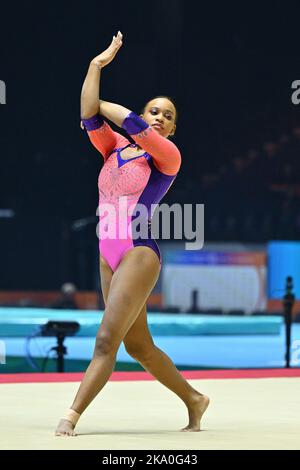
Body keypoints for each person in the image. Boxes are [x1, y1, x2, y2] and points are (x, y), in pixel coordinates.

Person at [55, 31, 209, 436]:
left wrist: (109, 108)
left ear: (171, 129)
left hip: (139, 250)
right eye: (154, 111)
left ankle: (71, 416)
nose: (159, 117)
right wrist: (95, 65)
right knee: (138, 346)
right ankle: (195, 399)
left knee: (107, 340)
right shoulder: (113, 149)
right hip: (108, 250)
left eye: (167, 116)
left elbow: (128, 120)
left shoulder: (168, 157)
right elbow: (89, 115)